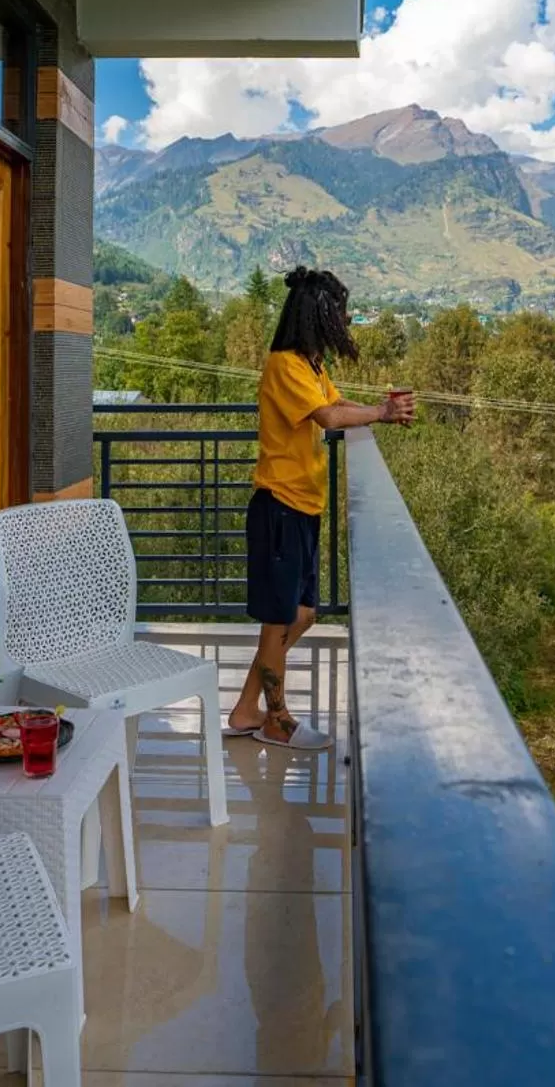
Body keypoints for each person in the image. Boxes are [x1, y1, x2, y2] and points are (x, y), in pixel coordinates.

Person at [231, 267, 412, 749]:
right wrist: (381, 413)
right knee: (278, 618)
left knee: (303, 614)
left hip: (303, 508)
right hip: (280, 508)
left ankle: (247, 707)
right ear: (318, 316)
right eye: (340, 313)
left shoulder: (311, 365)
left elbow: (336, 401)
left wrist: (376, 411)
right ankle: (276, 718)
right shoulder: (285, 365)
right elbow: (328, 417)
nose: (346, 321)